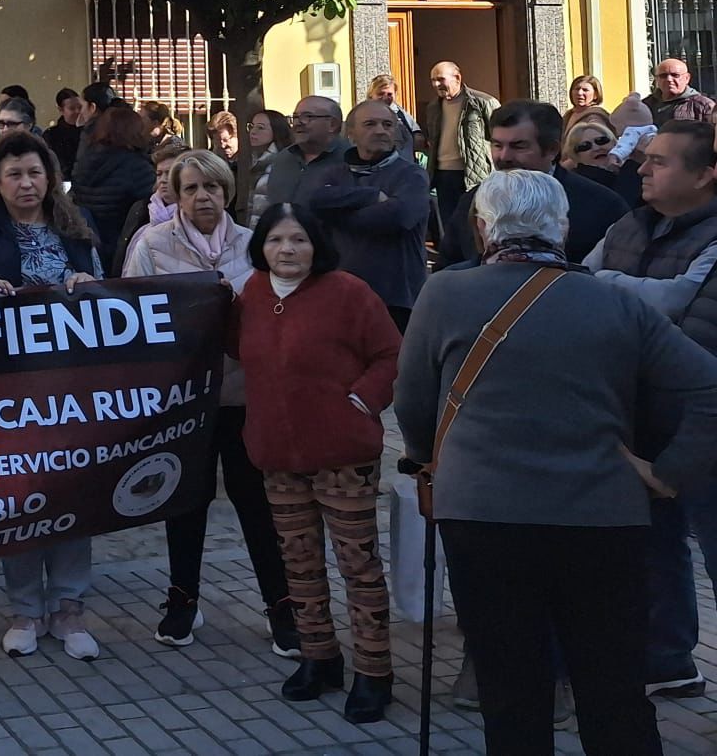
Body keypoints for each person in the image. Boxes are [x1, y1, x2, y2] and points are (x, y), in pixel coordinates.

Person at [399, 168, 717, 754]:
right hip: (602, 515)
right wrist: (669, 473)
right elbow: (708, 386)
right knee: (614, 688)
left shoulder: (444, 293)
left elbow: (413, 404)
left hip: (483, 514)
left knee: (511, 688)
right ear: (564, 228)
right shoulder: (616, 301)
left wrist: (426, 458)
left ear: (479, 226)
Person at [121, 150, 296, 659]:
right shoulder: (152, 243)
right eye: (192, 187)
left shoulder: (252, 244)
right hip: (184, 399)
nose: (203, 197)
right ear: (175, 192)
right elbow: (133, 315)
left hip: (244, 396)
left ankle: (279, 603)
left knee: (255, 503)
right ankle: (182, 597)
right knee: (185, 500)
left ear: (228, 192)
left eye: (213, 188)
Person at [233, 202, 400, 722]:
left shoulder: (349, 292)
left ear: (317, 245)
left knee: (358, 565)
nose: (288, 250)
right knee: (299, 563)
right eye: (278, 239)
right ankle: (318, 655)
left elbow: (392, 355)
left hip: (342, 453)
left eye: (299, 240)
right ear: (261, 245)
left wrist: (362, 399)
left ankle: (374, 671)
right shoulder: (252, 294)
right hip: (279, 453)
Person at [0, 131, 103, 661]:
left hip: (70, 391)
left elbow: (108, 300)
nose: (26, 183)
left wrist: (88, 285)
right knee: (19, 496)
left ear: (50, 176)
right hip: (7, 393)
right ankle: (24, 609)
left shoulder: (75, 228)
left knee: (71, 494)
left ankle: (70, 607)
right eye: (14, 173)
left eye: (35, 172)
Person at [579, 119, 717, 699]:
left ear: (707, 174)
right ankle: (668, 660)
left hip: (705, 427)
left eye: (658, 161)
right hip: (641, 420)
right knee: (655, 547)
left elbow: (686, 315)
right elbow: (577, 283)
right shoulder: (629, 224)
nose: (641, 168)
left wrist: (607, 288)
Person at [437, 102, 627, 271]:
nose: (504, 157)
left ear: (552, 149)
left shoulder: (602, 205)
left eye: (518, 146)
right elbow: (449, 265)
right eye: (497, 145)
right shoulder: (473, 200)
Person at [304, 101, 432, 333]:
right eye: (370, 124)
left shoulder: (412, 175)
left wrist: (339, 216)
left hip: (396, 298)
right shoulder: (334, 173)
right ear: (350, 133)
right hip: (343, 295)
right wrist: (372, 196)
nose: (380, 130)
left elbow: (400, 216)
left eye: (387, 125)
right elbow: (315, 201)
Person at [71, 103, 156, 274]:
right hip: (126, 249)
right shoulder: (137, 167)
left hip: (91, 246)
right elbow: (153, 205)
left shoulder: (86, 160)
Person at [422, 62, 496, 226]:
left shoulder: (482, 102)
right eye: (433, 80)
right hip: (443, 175)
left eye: (441, 79)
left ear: (457, 78)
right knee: (450, 227)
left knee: (475, 227)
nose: (436, 85)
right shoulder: (433, 107)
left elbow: (498, 138)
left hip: (474, 176)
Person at [254, 97, 350, 220]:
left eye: (308, 117)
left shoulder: (350, 159)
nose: (298, 122)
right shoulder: (283, 158)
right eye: (295, 117)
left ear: (332, 124)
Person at [117, 138, 188, 259]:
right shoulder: (141, 209)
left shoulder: (195, 213)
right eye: (159, 174)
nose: (163, 180)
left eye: (169, 173)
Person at [650, 57, 716, 127]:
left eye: (675, 75)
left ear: (687, 78)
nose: (669, 79)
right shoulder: (647, 105)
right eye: (663, 76)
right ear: (656, 79)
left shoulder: (704, 106)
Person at [367, 73, 419, 153]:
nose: (385, 97)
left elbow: (418, 136)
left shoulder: (401, 114)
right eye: (380, 94)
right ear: (371, 95)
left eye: (389, 94)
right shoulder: (362, 115)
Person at [42, 89, 85, 179]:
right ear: (61, 110)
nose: (77, 112)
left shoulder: (89, 131)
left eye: (80, 107)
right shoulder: (51, 135)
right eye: (72, 108)